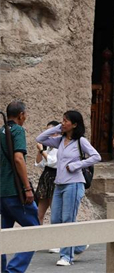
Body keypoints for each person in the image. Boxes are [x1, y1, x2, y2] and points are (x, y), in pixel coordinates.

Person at [36, 111, 101, 266]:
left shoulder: (81, 141)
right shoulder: (60, 140)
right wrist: (57, 128)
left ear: (75, 124)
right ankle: (78, 245)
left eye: (66, 121)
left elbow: (96, 156)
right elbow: (40, 139)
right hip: (58, 185)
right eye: (62, 120)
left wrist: (76, 165)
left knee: (68, 220)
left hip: (74, 184)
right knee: (56, 220)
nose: (63, 123)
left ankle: (67, 256)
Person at [1, 101, 39, 273]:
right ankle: (13, 270)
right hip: (14, 191)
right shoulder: (17, 130)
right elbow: (18, 159)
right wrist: (27, 188)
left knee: (3, 235)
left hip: (1, 193)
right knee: (34, 230)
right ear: (21, 115)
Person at [34, 120, 60, 225]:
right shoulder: (48, 147)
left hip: (55, 178)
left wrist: (42, 151)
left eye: (50, 132)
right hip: (45, 178)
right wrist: (40, 149)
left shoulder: (59, 146)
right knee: (38, 213)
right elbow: (38, 163)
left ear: (57, 133)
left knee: (54, 213)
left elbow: (53, 162)